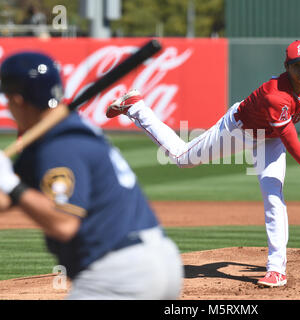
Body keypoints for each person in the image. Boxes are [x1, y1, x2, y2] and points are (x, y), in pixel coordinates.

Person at [106, 40, 300, 287]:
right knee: (182, 159)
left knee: (273, 194)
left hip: (269, 137)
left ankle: (276, 270)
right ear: (287, 67)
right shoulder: (276, 95)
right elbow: (291, 141)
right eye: (296, 65)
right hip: (240, 130)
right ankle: (136, 106)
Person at [0, 51, 183, 299]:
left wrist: (10, 183)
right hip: (156, 261)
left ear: (18, 100)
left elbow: (64, 224)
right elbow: (6, 200)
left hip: (120, 273)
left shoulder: (60, 145)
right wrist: (9, 184)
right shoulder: (63, 131)